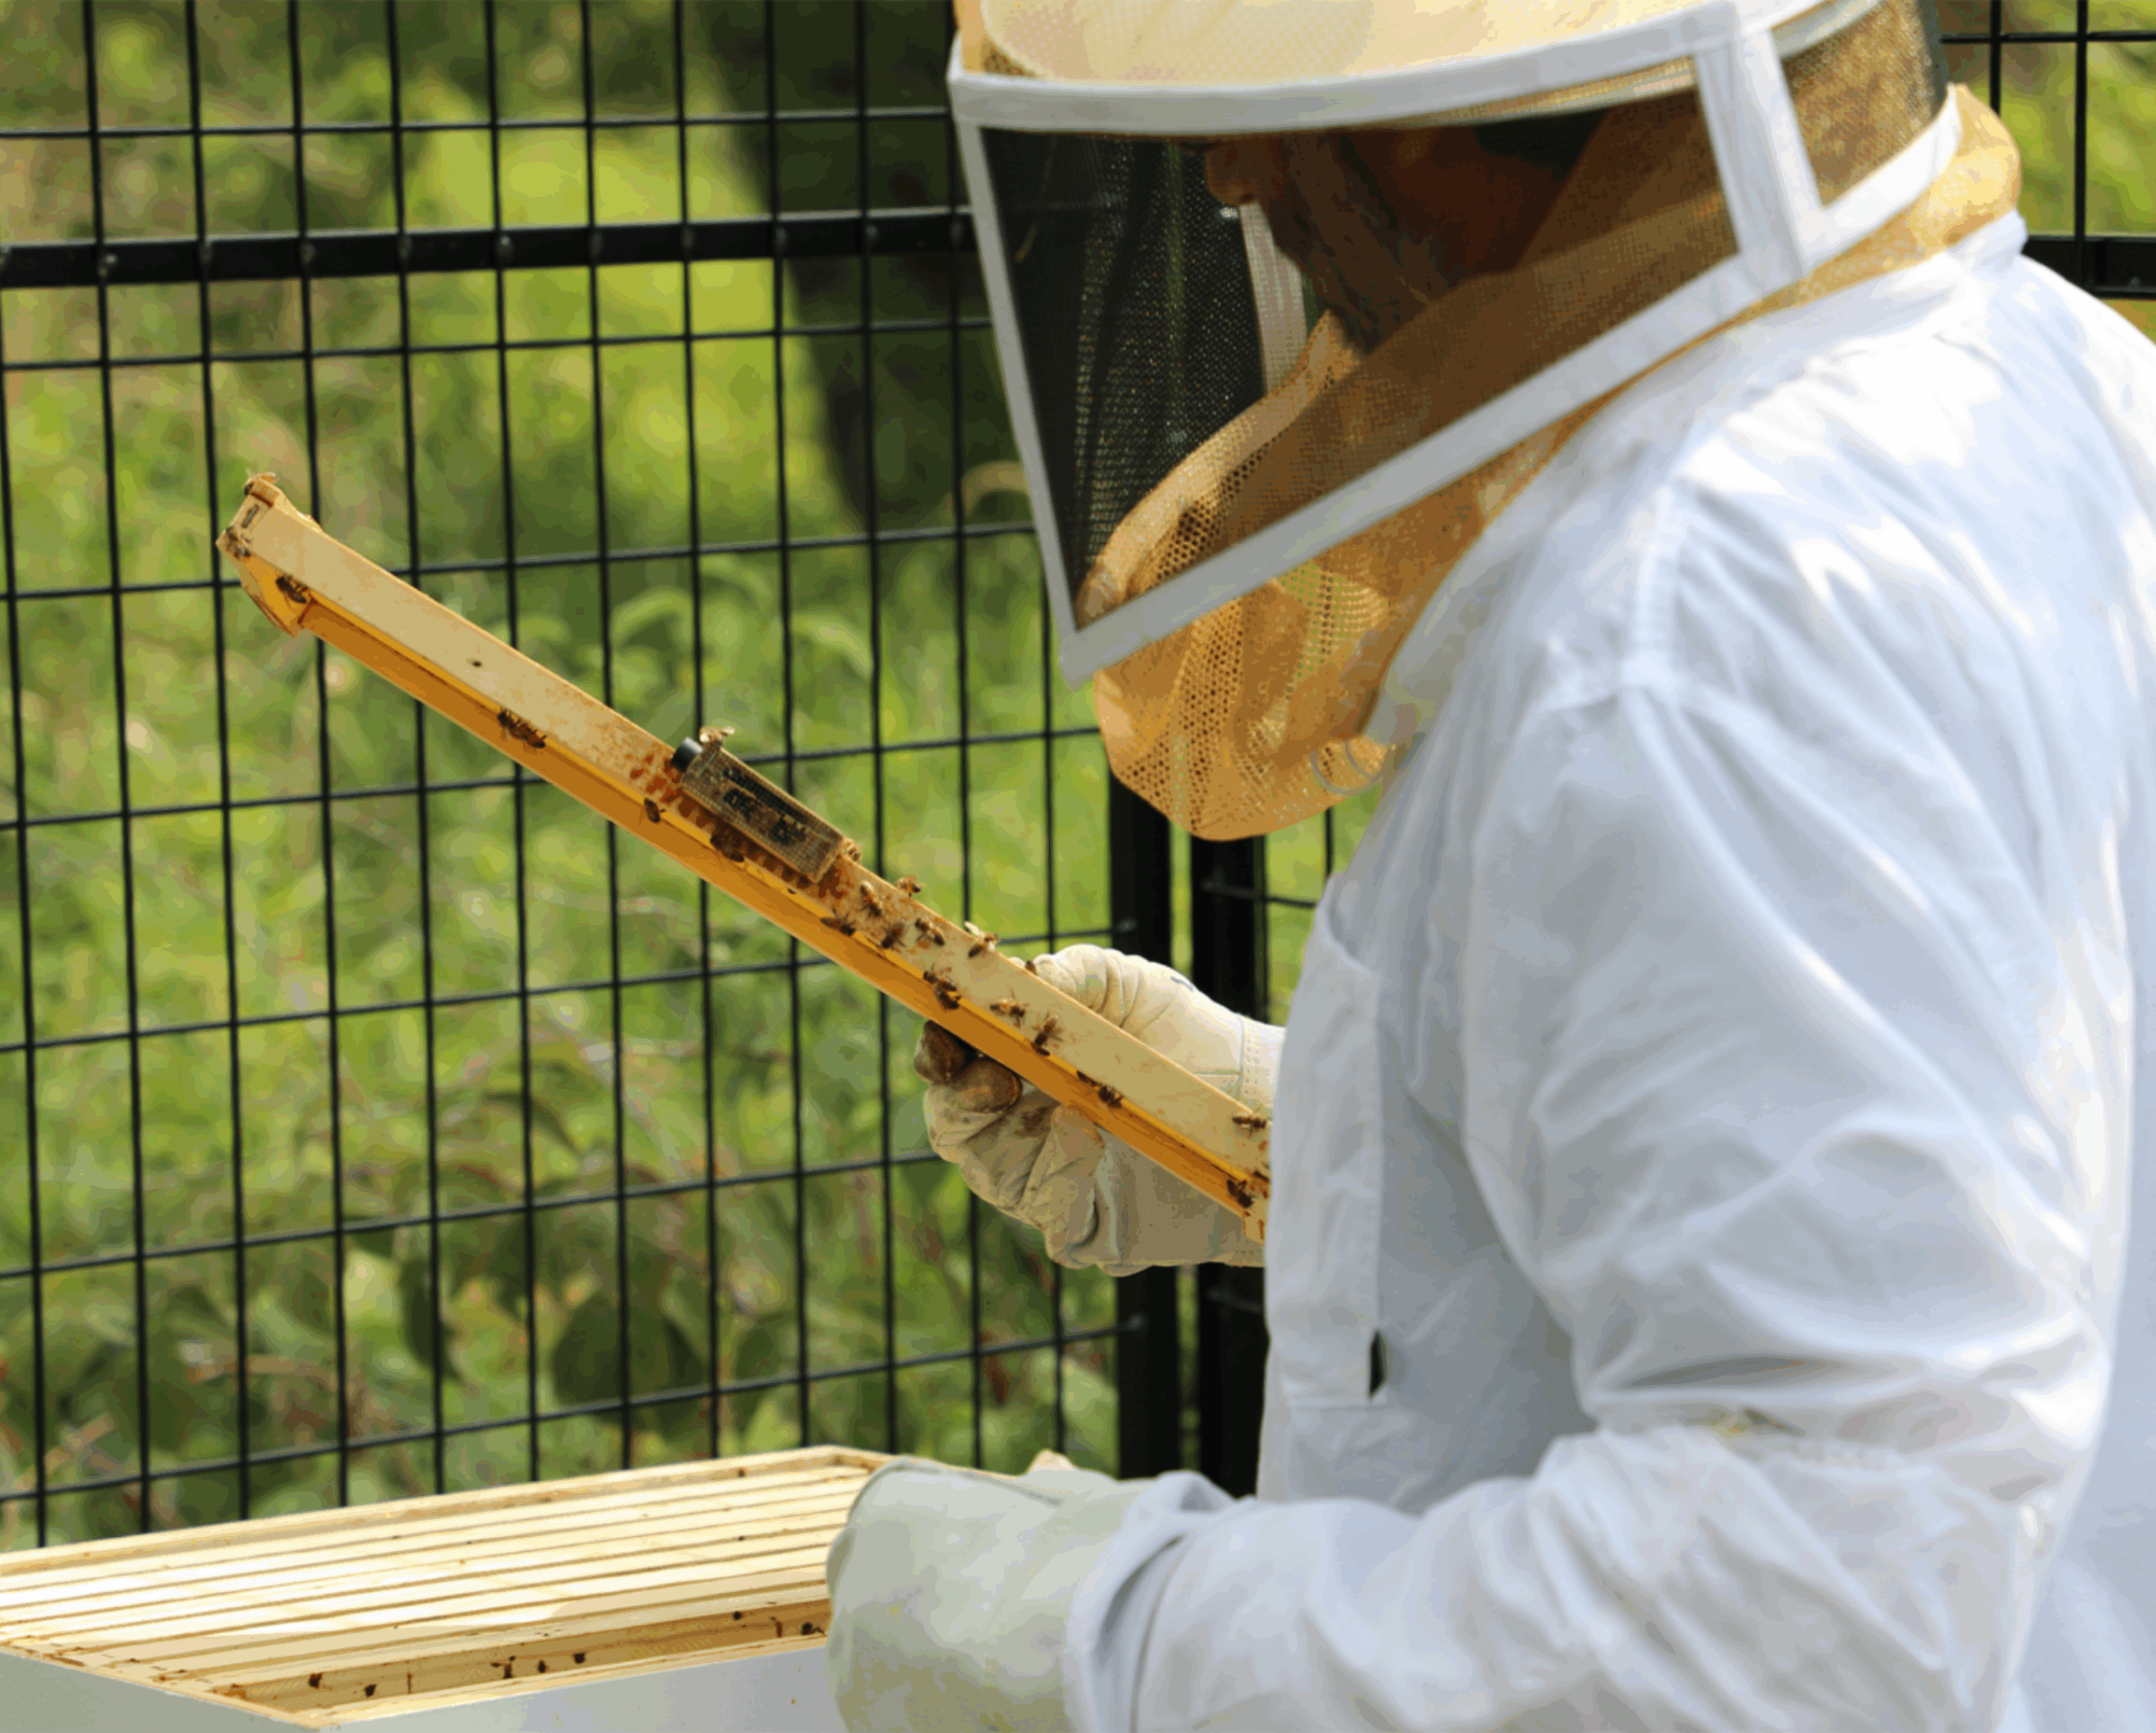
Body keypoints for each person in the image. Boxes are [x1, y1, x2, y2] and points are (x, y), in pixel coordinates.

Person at [821, 1, 2156, 1727]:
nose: (1231, 170)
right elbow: (1962, 1159)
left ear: (1494, 84)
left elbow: (1820, 1601)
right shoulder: (2046, 385)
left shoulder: (1674, 633)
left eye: (1292, 86)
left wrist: (1111, 1636)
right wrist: (1298, 1126)